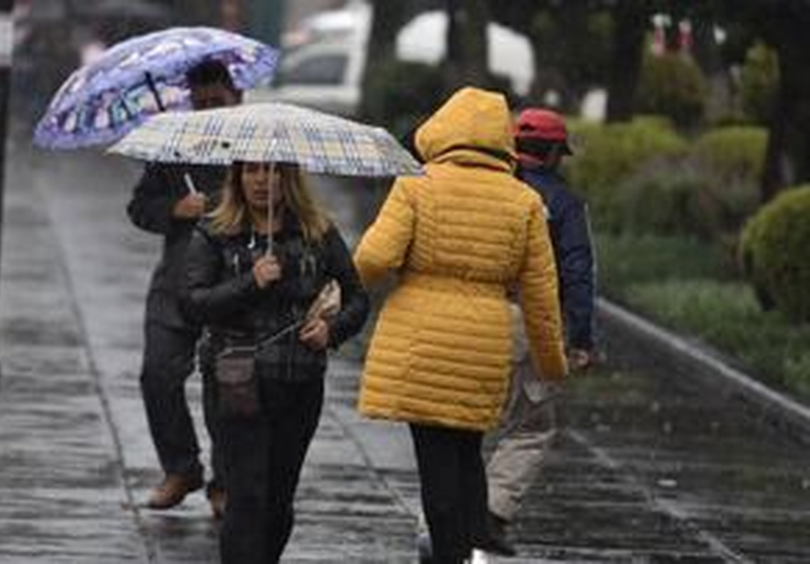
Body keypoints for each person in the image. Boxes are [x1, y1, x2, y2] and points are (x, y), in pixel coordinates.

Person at [354, 87, 567, 563]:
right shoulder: (524, 201)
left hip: (419, 341)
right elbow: (540, 294)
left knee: (435, 463)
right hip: (484, 344)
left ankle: (450, 552)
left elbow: (374, 257)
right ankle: (471, 540)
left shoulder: (416, 184)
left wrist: (342, 291)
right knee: (467, 448)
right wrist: (552, 363)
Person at [184, 161, 369, 564]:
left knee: (278, 499)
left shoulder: (317, 231)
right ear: (237, 178)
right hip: (236, 379)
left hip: (298, 381)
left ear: (289, 179)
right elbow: (194, 304)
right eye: (251, 171)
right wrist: (252, 281)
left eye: (272, 172)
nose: (261, 181)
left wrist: (331, 331)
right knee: (247, 495)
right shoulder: (214, 232)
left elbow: (358, 297)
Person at [125, 59, 241, 516]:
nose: (208, 108)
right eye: (201, 101)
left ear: (237, 98)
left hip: (231, 287)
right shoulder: (172, 148)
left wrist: (217, 207)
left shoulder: (253, 149)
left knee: (229, 390)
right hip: (175, 283)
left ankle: (226, 483)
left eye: (217, 100)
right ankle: (181, 466)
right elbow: (139, 207)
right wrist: (176, 207)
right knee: (158, 375)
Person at [483, 107, 597, 555]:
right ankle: (491, 512)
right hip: (531, 323)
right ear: (553, 154)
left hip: (477, 318)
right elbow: (578, 270)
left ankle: (446, 515)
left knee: (465, 424)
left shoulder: (492, 189)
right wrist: (582, 337)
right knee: (531, 424)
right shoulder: (565, 204)